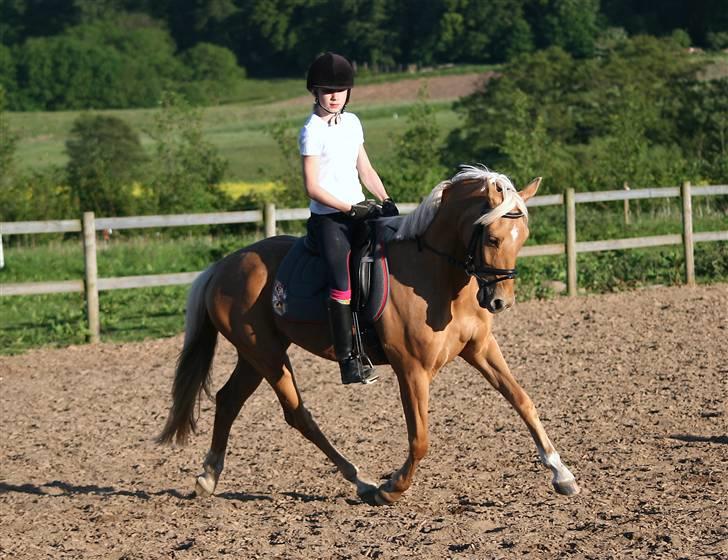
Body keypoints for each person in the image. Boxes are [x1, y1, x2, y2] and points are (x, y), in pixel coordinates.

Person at [299, 52, 399, 385]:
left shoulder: (353, 123)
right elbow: (312, 186)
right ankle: (349, 360)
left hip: (361, 211)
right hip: (330, 220)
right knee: (342, 284)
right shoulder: (311, 131)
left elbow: (365, 169)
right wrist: (346, 208)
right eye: (327, 90)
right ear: (315, 92)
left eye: (340, 90)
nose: (334, 96)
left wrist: (385, 199)